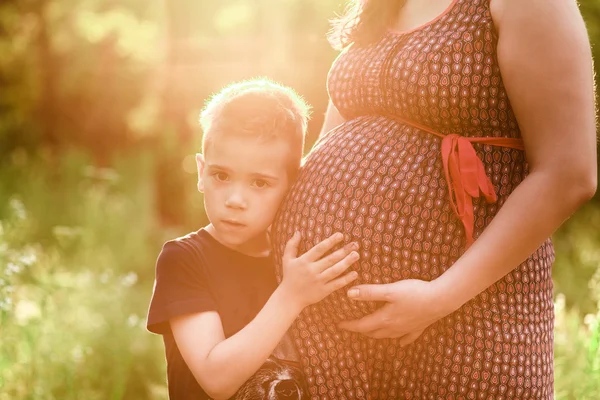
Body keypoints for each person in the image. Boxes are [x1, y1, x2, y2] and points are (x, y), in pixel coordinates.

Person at [271, 0, 597, 398]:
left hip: (468, 322)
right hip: (329, 338)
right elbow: (331, 141)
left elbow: (568, 172)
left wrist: (440, 297)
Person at [146, 79, 361, 400]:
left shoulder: (293, 261)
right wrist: (291, 296)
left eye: (259, 183)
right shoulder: (184, 259)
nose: (235, 199)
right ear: (201, 172)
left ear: (292, 186)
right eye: (221, 175)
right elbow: (215, 379)